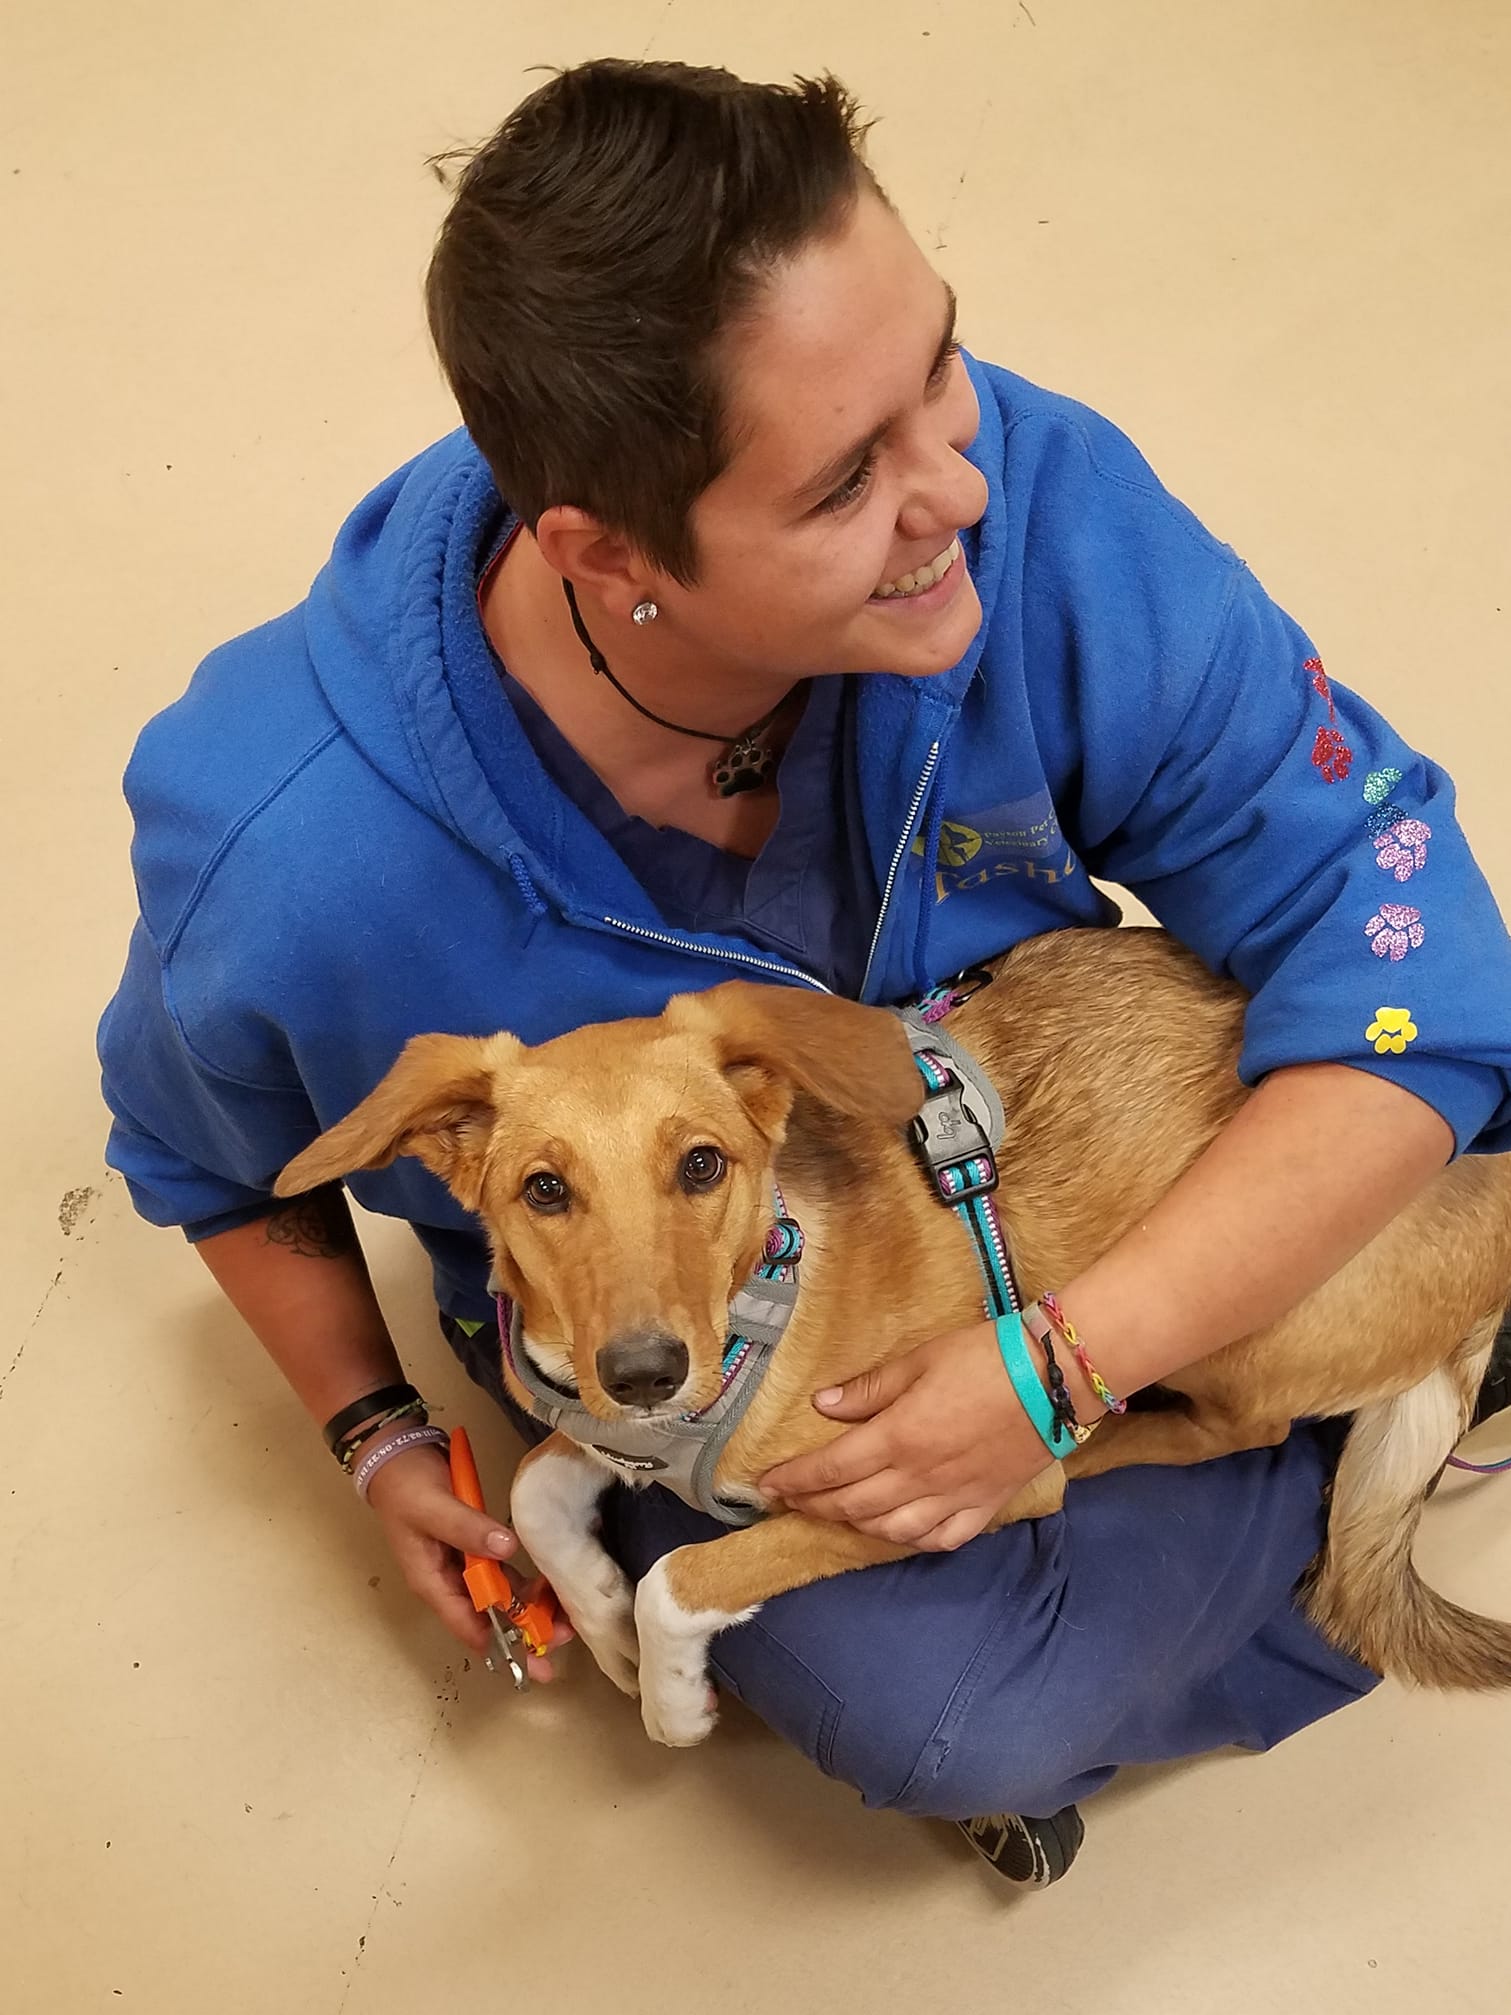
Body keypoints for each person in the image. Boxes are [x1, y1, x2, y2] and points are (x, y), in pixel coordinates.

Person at [98, 59, 1511, 1888]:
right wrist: (374, 1441)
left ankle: (1360, 1342)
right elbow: (210, 1159)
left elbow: (1400, 938)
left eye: (942, 361)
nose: (963, 486)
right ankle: (1390, 1360)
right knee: (951, 1720)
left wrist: (1068, 1362)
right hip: (712, 1351)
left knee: (1442, 1047)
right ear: (604, 556)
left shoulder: (1039, 500)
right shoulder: (282, 855)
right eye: (845, 482)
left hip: (1088, 1134)